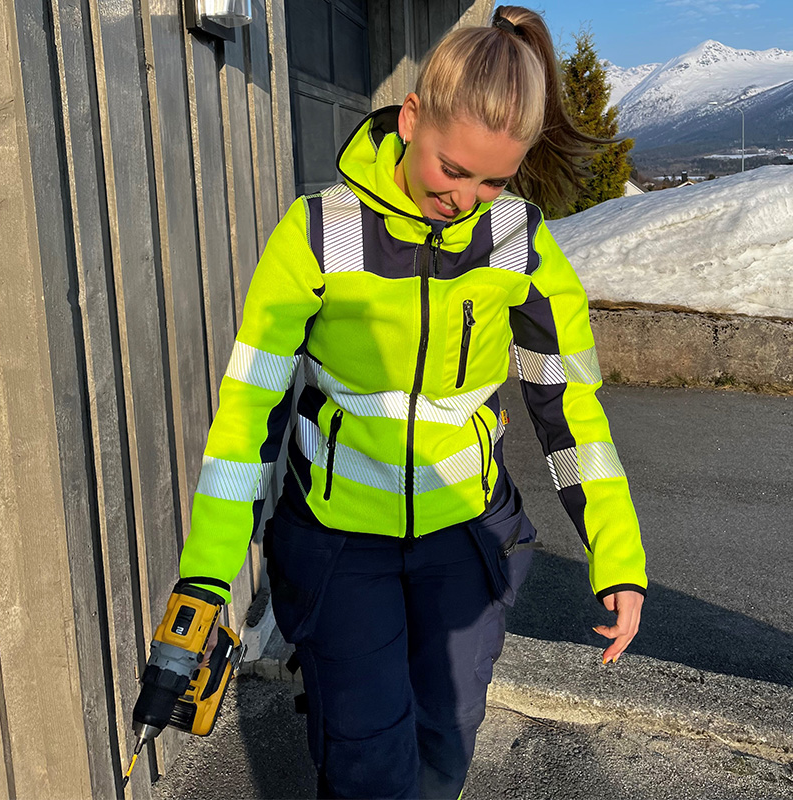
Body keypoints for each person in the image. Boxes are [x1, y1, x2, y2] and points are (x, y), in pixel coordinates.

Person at [176, 6, 647, 798]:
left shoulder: (522, 244)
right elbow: (247, 415)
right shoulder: (317, 233)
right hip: (339, 548)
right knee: (366, 760)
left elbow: (573, 417)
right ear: (411, 118)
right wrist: (207, 577)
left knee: (447, 742)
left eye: (495, 179)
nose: (467, 198)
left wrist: (618, 556)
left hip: (467, 543)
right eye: (452, 169)